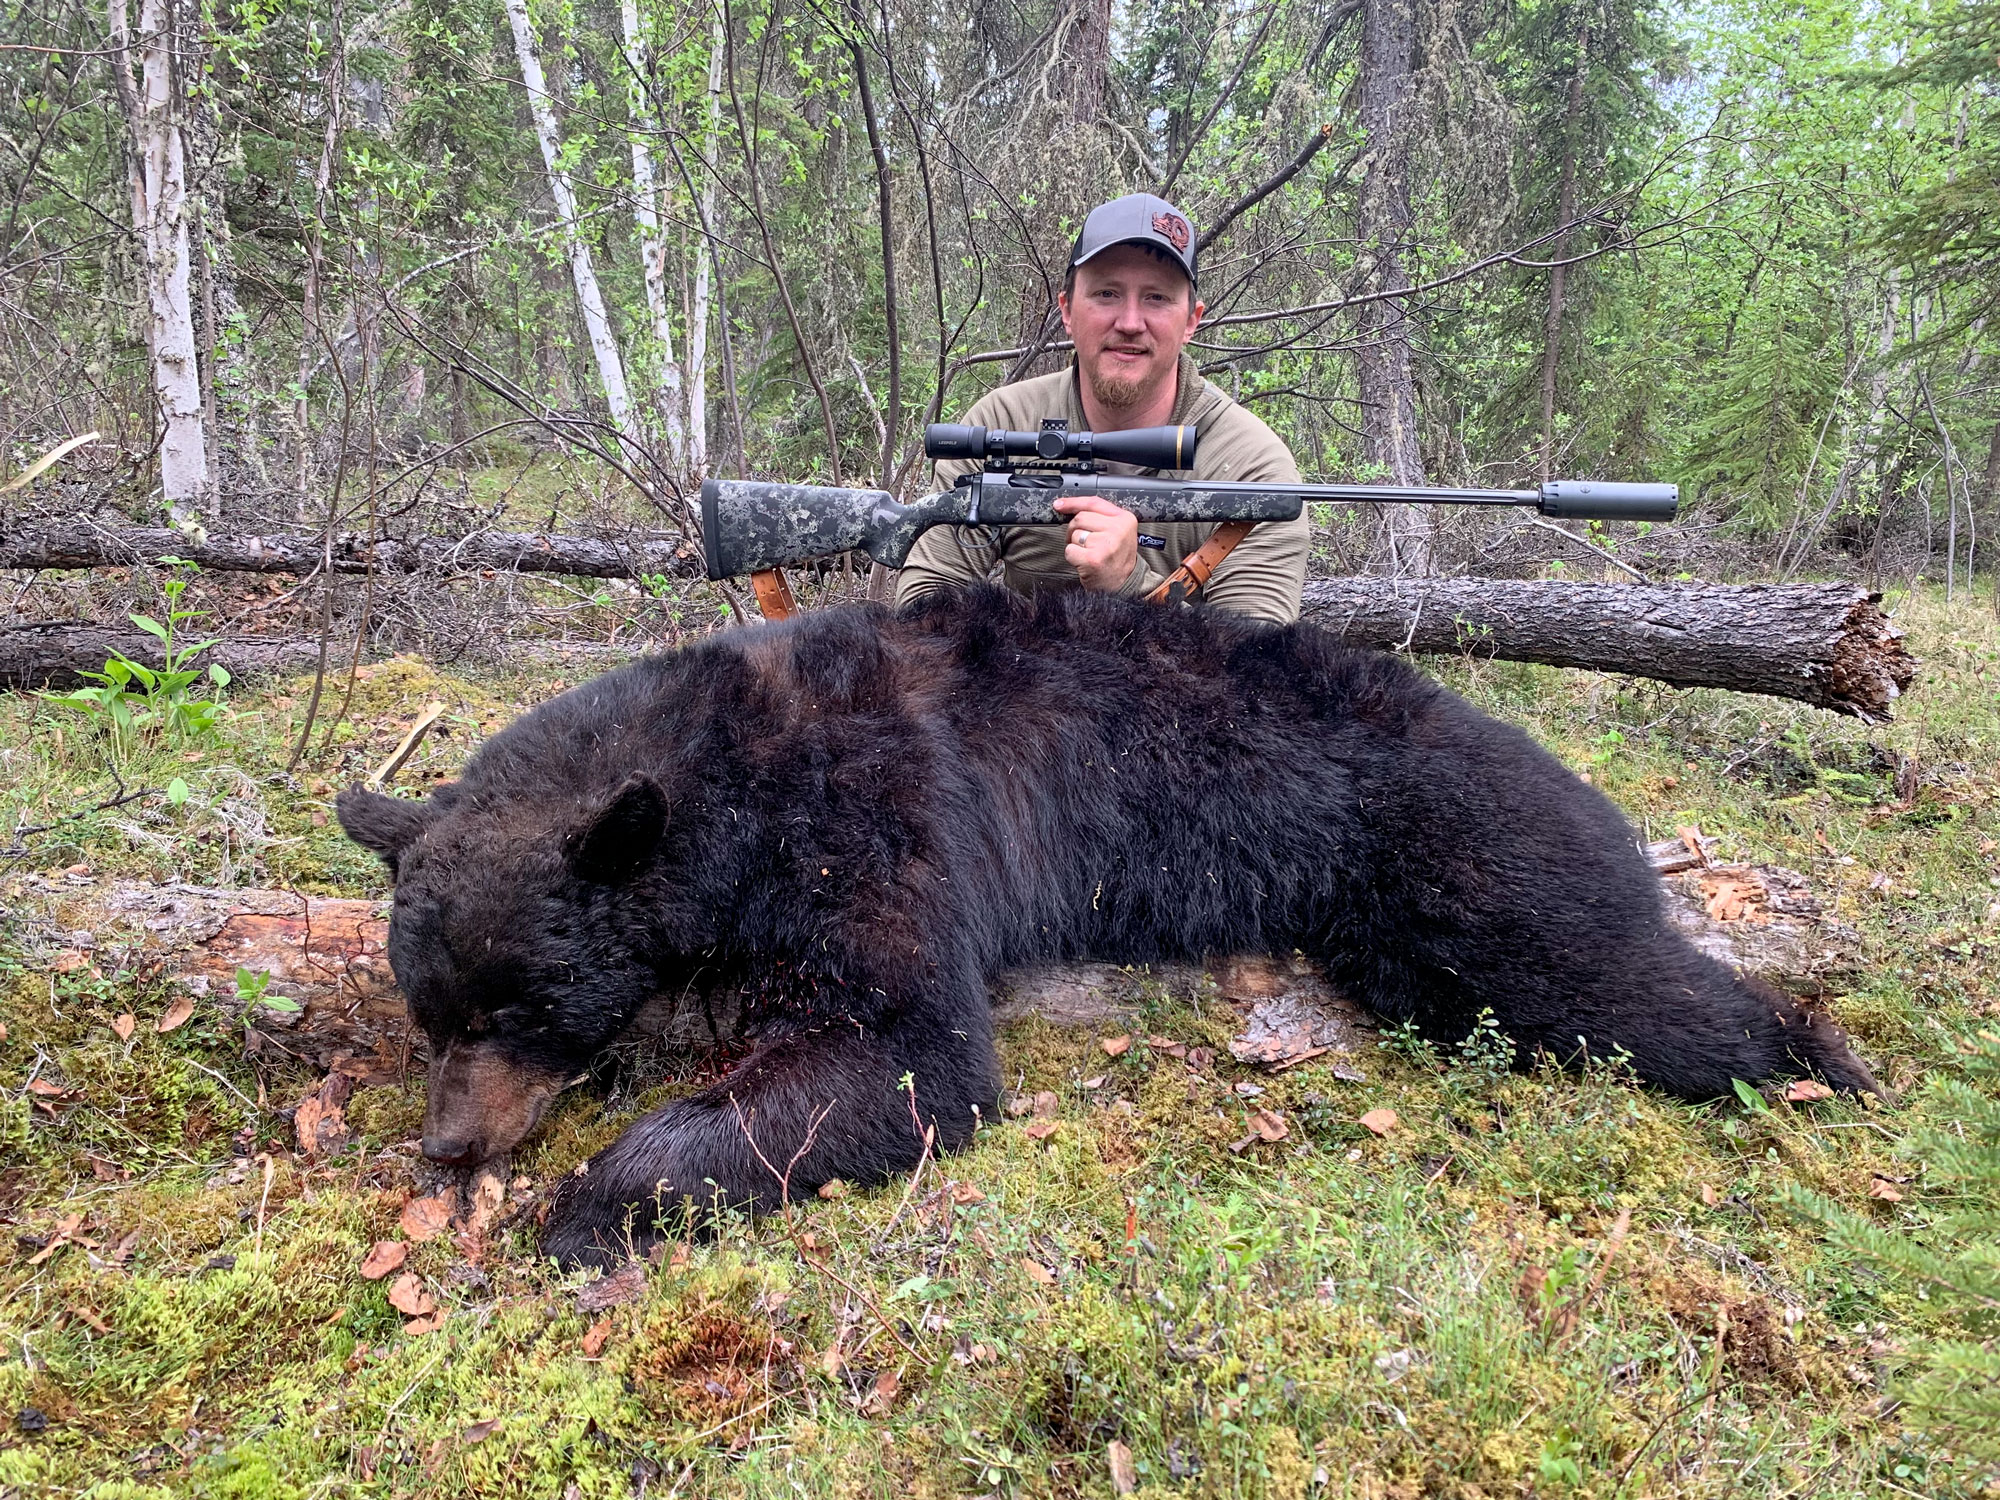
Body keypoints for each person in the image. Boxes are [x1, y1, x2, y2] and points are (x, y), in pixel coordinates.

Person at [895, 193, 1311, 625]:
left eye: (1156, 298)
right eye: (1107, 293)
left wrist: (1132, 584)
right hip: (1015, 670)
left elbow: (1255, 660)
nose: (1130, 323)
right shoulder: (1002, 422)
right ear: (1067, 310)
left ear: (1191, 320)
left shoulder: (1252, 469)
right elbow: (922, 613)